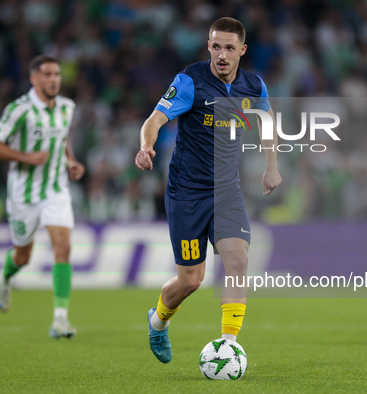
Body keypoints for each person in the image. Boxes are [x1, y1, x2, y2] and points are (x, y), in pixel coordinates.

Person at [135, 17, 281, 363]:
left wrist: (271, 166)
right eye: (216, 46)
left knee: (238, 259)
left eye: (229, 48)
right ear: (209, 46)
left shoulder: (253, 86)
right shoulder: (190, 82)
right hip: (186, 193)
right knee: (191, 280)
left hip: (227, 190)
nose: (222, 55)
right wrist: (146, 146)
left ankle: (228, 345)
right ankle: (157, 322)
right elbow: (154, 120)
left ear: (242, 50)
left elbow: (268, 122)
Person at [0, 55, 85, 339]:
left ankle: (60, 319)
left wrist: (70, 161)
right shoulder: (19, 110)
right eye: (47, 74)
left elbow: (61, 138)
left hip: (55, 189)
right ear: (34, 79)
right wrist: (25, 156)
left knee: (63, 247)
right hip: (23, 194)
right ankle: (5, 276)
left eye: (57, 74)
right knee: (23, 255)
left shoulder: (67, 107)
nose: (54, 79)